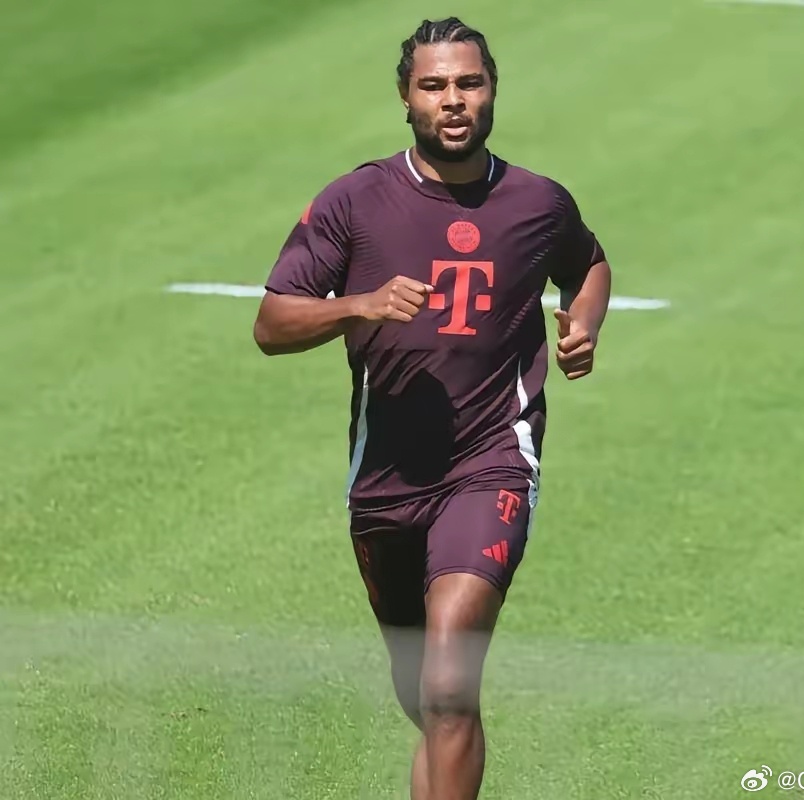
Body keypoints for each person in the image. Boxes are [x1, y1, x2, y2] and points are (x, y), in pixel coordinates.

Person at [253, 16, 611, 800]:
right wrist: (359, 305)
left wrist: (583, 325)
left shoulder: (537, 202)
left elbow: (587, 263)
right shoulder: (355, 201)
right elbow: (272, 324)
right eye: (435, 85)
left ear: (492, 90)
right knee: (425, 698)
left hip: (492, 462)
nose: (453, 100)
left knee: (448, 687)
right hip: (385, 479)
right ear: (406, 97)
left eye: (469, 83)